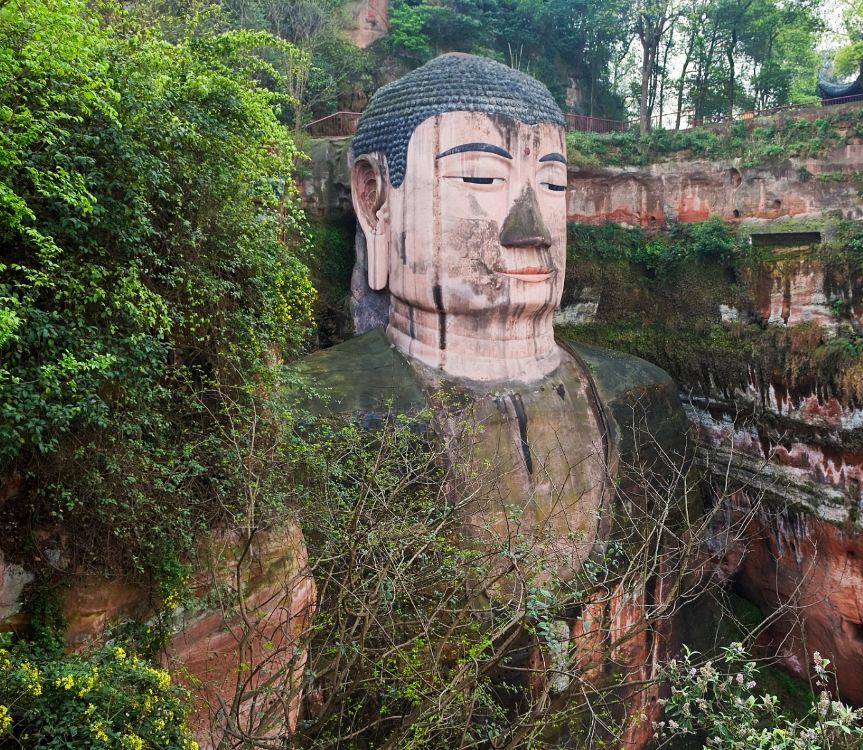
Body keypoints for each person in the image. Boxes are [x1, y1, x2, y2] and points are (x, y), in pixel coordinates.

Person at [294, 53, 696, 742]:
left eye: (553, 183)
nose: (529, 227)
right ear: (375, 200)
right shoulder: (309, 418)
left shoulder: (640, 398)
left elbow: (678, 636)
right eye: (479, 177)